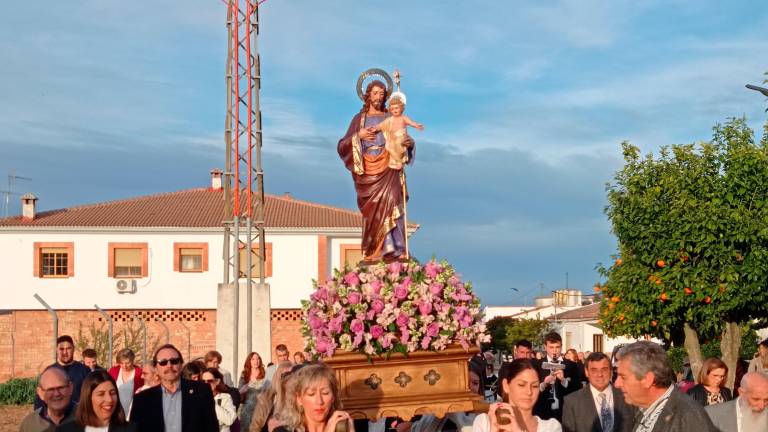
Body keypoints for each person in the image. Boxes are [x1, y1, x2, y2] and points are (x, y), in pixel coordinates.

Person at [337, 79, 415, 262]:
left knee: (394, 201)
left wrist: (409, 144)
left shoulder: (392, 117)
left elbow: (403, 137)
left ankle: (396, 248)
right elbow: (342, 145)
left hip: (390, 164)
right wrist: (358, 135)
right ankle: (377, 249)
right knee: (375, 211)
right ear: (368, 95)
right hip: (368, 171)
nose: (378, 97)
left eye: (381, 93)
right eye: (375, 93)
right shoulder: (359, 119)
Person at [613, 341, 716, 432]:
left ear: (647, 379)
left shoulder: (689, 417)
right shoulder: (642, 408)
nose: (616, 384)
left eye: (623, 377)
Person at [129, 344, 218, 432]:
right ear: (156, 368)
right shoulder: (142, 399)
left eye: (174, 361)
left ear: (181, 364)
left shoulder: (201, 391)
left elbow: (211, 427)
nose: (169, 365)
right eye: (163, 362)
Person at [473, 358, 562, 432]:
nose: (529, 392)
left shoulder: (551, 427)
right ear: (506, 385)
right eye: (521, 385)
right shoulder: (485, 422)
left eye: (535, 386)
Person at [561, 352, 636, 432]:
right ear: (586, 372)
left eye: (604, 369)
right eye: (594, 370)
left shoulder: (628, 396)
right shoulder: (572, 402)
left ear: (611, 371)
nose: (599, 374)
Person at [274, 363, 354, 432]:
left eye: (325, 393)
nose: (319, 401)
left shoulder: (343, 427)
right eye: (311, 394)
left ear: (333, 397)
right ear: (299, 399)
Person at [55, 370, 136, 432]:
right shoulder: (66, 430)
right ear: (88, 397)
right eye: (101, 394)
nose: (109, 399)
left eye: (112, 393)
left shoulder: (131, 430)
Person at [533, 332, 581, 421]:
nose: (554, 351)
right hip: (542, 413)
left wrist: (563, 380)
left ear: (561, 346)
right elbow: (532, 390)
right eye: (551, 347)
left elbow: (578, 390)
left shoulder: (571, 365)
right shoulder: (536, 365)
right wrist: (544, 384)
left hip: (565, 414)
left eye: (557, 347)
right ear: (545, 347)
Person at [35, 335, 91, 410]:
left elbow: (91, 395)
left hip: (79, 416)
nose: (65, 352)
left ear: (73, 349)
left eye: (68, 348)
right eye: (61, 349)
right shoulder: (49, 372)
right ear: (56, 350)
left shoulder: (84, 370)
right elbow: (40, 399)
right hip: (55, 417)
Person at [369, 95, 424, 170]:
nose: (394, 110)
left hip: (401, 135)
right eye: (392, 109)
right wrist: (375, 128)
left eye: (396, 108)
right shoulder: (390, 119)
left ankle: (399, 161)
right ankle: (394, 161)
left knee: (399, 144)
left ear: (401, 108)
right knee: (389, 147)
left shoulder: (403, 118)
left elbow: (411, 122)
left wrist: (416, 125)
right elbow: (381, 125)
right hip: (392, 138)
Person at [20, 367, 76, 432]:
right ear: (40, 393)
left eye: (61, 387)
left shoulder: (87, 417)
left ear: (70, 388)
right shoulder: (29, 424)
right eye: (50, 390)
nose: (56, 394)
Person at [247, 360, 293, 432]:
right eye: (285, 375)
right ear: (278, 378)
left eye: (292, 376)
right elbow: (255, 427)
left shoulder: (299, 398)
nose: (289, 379)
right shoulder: (267, 398)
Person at [108, 348, 144, 417]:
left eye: (127, 363)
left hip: (132, 412)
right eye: (121, 363)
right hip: (115, 412)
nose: (124, 366)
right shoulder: (113, 371)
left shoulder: (139, 373)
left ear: (133, 361)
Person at [202, 368, 238, 432]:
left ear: (217, 381)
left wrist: (211, 402)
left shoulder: (225, 397)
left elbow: (229, 420)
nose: (206, 384)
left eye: (209, 381)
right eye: (203, 381)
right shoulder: (197, 398)